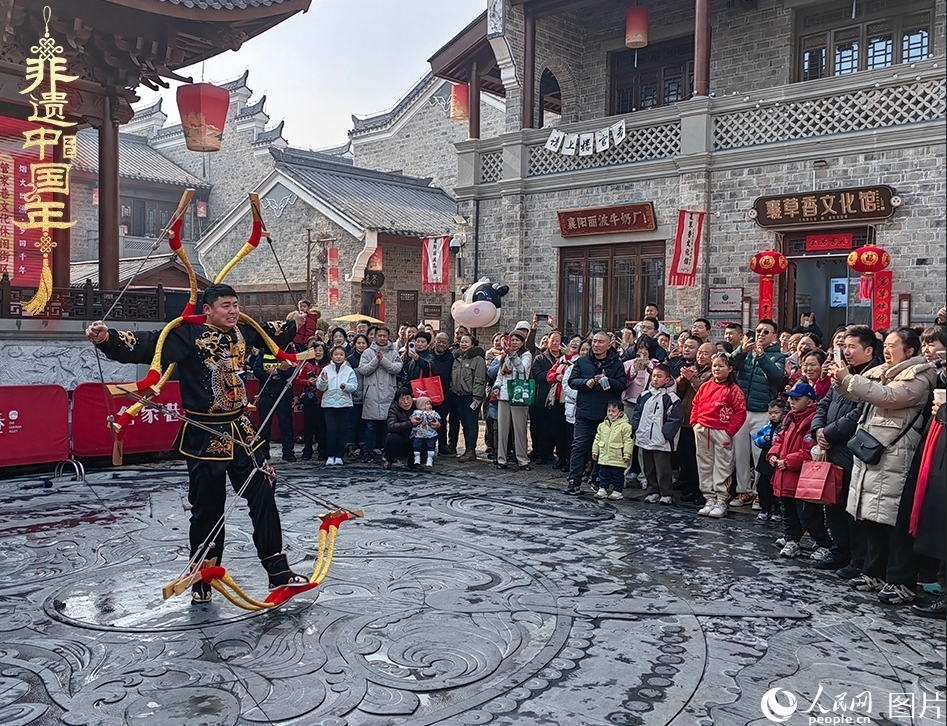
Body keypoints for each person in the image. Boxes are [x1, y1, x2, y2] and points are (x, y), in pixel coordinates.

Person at [85, 284, 308, 603]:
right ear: (208, 309)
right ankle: (202, 577)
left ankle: (277, 571)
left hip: (243, 431)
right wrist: (107, 338)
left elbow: (271, 331)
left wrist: (296, 323)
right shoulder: (187, 335)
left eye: (235, 305)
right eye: (225, 306)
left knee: (263, 492)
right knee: (208, 510)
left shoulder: (243, 330)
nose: (232, 311)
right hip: (206, 433)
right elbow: (147, 345)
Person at [830, 327, 937, 604]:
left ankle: (900, 581)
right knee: (870, 517)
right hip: (872, 452)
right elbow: (857, 392)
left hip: (897, 454)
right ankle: (873, 572)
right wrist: (840, 378)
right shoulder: (881, 371)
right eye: (885, 345)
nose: (886, 350)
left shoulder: (921, 375)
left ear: (910, 351)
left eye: (893, 345)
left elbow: (889, 397)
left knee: (895, 522)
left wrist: (849, 380)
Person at [811, 325, 880, 576]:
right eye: (845, 346)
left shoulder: (875, 375)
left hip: (853, 449)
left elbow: (859, 413)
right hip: (831, 447)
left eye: (852, 347)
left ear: (869, 349)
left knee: (853, 509)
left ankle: (857, 559)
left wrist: (828, 433)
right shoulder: (841, 372)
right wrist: (818, 428)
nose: (847, 352)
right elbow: (824, 403)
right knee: (833, 503)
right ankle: (840, 550)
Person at [768, 382, 832, 561]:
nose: (792, 402)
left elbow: (809, 451)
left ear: (810, 402)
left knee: (808, 515)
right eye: (791, 398)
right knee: (787, 512)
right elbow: (779, 439)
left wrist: (786, 462)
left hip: (802, 479)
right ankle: (791, 540)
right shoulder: (789, 417)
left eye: (797, 399)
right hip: (784, 475)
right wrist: (773, 454)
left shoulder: (812, 420)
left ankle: (824, 543)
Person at [730, 319, 787, 507]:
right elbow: (731, 364)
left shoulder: (778, 356)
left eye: (766, 332)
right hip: (741, 410)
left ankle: (757, 493)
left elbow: (777, 377)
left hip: (762, 411)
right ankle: (742, 491)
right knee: (740, 453)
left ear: (774, 336)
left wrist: (761, 356)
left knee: (759, 454)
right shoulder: (746, 352)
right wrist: (742, 351)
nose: (761, 335)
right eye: (759, 331)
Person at [566, 331, 627, 495]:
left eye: (601, 342)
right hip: (585, 412)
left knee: (602, 448)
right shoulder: (583, 361)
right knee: (579, 446)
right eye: (594, 341)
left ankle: (598, 480)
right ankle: (574, 481)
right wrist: (587, 382)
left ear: (609, 345)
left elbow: (622, 384)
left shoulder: (616, 363)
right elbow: (572, 381)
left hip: (607, 414)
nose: (596, 345)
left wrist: (608, 381)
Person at [690, 352, 747, 518]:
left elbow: (740, 413)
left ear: (730, 369)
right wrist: (695, 423)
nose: (717, 369)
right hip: (703, 430)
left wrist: (729, 431)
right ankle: (709, 498)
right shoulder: (706, 386)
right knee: (704, 464)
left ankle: (721, 499)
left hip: (722, 431)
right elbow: (696, 404)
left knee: (723, 465)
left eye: (721, 366)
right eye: (715, 365)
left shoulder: (734, 390)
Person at [633, 363, 683, 505]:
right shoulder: (645, 395)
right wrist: (636, 428)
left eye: (659, 376)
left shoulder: (672, 398)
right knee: (648, 468)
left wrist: (666, 434)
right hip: (645, 437)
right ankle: (652, 491)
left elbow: (675, 419)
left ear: (667, 380)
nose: (655, 379)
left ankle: (666, 493)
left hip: (662, 440)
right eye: (654, 376)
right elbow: (637, 413)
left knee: (663, 469)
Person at [676, 340, 714, 504]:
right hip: (685, 418)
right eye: (700, 353)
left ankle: (700, 491)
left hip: (701, 421)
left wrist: (693, 378)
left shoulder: (712, 373)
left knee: (698, 459)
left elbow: (707, 392)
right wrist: (683, 379)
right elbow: (679, 391)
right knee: (685, 457)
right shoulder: (694, 369)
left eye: (705, 353)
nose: (701, 356)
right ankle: (689, 486)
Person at [358, 326, 403, 461]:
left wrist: (383, 360)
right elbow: (363, 370)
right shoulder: (367, 352)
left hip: (388, 393)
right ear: (375, 337)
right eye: (380, 336)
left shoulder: (394, 352)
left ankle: (387, 452)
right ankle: (369, 451)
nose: (382, 338)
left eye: (385, 336)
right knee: (370, 426)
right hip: (372, 393)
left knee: (387, 426)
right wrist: (376, 359)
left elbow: (397, 369)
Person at [495, 329, 533, 471]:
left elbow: (523, 370)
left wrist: (513, 356)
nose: (515, 342)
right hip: (504, 394)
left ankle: (523, 459)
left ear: (523, 342)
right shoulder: (504, 355)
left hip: (519, 394)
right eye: (513, 340)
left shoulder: (526, 355)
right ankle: (501, 458)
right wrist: (497, 387)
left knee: (520, 428)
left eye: (518, 340)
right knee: (502, 429)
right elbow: (500, 375)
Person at [253, 346, 297, 463]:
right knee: (264, 424)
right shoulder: (263, 351)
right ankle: (264, 453)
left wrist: (279, 372)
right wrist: (269, 375)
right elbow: (256, 369)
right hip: (266, 393)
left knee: (286, 424)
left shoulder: (288, 351)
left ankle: (288, 453)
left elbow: (293, 369)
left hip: (283, 393)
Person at [316, 345, 357, 466]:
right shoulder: (326, 369)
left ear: (345, 356)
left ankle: (339, 456)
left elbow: (354, 386)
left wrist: (346, 387)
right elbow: (320, 387)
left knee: (342, 431)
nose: (338, 357)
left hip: (344, 405)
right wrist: (323, 381)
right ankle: (330, 455)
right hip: (329, 404)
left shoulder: (349, 370)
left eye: (341, 354)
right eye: (336, 354)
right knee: (331, 431)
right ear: (331, 356)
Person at [450, 334, 486, 461]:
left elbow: (480, 379)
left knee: (471, 424)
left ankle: (471, 450)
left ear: (472, 344)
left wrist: (477, 396)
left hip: (471, 397)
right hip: (458, 395)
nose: (463, 344)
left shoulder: (478, 359)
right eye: (461, 342)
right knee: (464, 423)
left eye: (466, 342)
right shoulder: (457, 357)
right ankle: (466, 449)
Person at [530, 331, 562, 465]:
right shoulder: (540, 358)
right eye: (552, 341)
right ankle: (542, 454)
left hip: (559, 398)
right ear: (547, 342)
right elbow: (537, 376)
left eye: (558, 341)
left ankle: (559, 456)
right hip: (542, 397)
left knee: (558, 428)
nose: (555, 344)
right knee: (541, 428)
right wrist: (553, 375)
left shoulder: (565, 358)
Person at [592, 400, 634, 500]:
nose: (610, 413)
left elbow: (629, 441)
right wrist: (595, 451)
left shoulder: (626, 426)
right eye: (609, 410)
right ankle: (603, 489)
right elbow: (597, 438)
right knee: (603, 474)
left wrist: (627, 454)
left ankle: (617, 491)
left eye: (613, 411)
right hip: (604, 456)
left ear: (621, 413)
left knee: (617, 475)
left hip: (618, 457)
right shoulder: (602, 425)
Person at [752, 400, 786, 523]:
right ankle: (764, 508)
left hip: (778, 459)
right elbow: (756, 438)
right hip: (766, 459)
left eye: (776, 413)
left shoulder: (785, 427)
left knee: (776, 487)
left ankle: (777, 510)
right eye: (770, 413)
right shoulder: (767, 427)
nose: (773, 416)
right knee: (763, 485)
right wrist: (764, 439)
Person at [297, 341, 330, 461]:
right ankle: (307, 451)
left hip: (323, 399)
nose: (318, 353)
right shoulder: (306, 365)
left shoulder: (328, 365)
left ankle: (322, 451)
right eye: (315, 350)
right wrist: (308, 382)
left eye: (320, 350)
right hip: (309, 400)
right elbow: (299, 379)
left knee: (322, 428)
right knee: (308, 427)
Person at [431, 332, 458, 455]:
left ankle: (443, 446)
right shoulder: (429, 355)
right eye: (439, 341)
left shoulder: (452, 357)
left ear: (448, 343)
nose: (441, 344)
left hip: (446, 394)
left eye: (444, 342)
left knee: (442, 421)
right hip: (430, 393)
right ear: (434, 341)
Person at [345, 334, 370, 458]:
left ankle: (362, 445)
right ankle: (349, 445)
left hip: (367, 396)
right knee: (352, 422)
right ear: (354, 345)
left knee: (363, 423)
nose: (361, 345)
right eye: (359, 343)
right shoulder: (350, 360)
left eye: (363, 343)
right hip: (354, 397)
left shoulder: (371, 358)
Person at [382, 389, 416, 470]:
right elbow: (391, 426)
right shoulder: (393, 409)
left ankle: (414, 461)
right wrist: (410, 423)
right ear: (397, 402)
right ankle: (389, 460)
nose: (406, 402)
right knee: (392, 438)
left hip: (414, 438)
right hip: (401, 439)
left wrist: (437, 424)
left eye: (408, 398)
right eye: (402, 400)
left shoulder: (418, 406)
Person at [410, 396, 441, 467]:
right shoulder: (416, 413)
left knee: (431, 445)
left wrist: (433, 420)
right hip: (418, 433)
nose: (429, 406)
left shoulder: (432, 413)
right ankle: (417, 458)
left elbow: (438, 419)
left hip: (430, 433)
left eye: (430, 404)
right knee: (416, 445)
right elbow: (411, 419)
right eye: (427, 404)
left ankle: (430, 459)